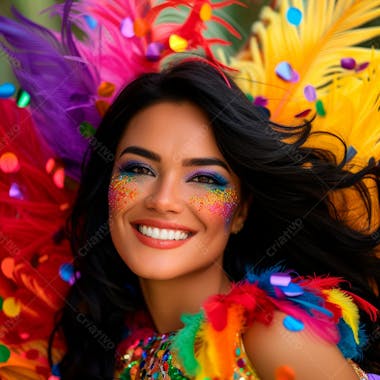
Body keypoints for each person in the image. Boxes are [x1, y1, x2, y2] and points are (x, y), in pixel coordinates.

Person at [47, 59, 380, 379]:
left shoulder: (274, 334)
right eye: (138, 169)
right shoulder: (124, 352)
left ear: (241, 211)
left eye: (204, 178)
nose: (163, 200)